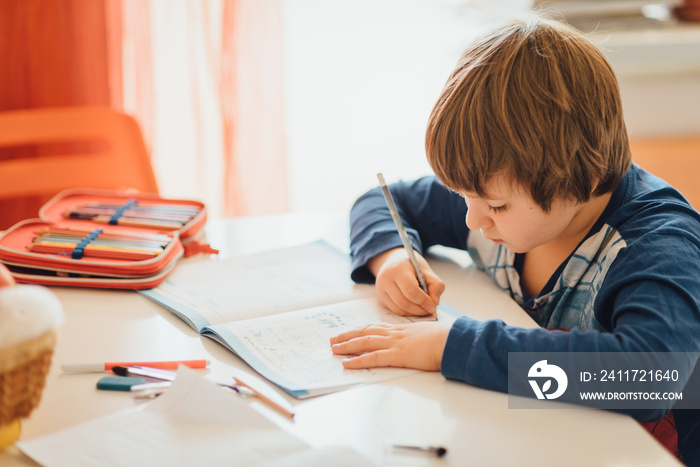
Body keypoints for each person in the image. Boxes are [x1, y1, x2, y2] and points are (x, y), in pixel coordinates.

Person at [329, 15, 700, 465]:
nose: (471, 218)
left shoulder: (657, 245)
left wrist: (454, 346)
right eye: (462, 196)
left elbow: (651, 380)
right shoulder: (509, 192)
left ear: (581, 181)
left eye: (495, 206)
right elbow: (381, 201)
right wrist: (390, 259)